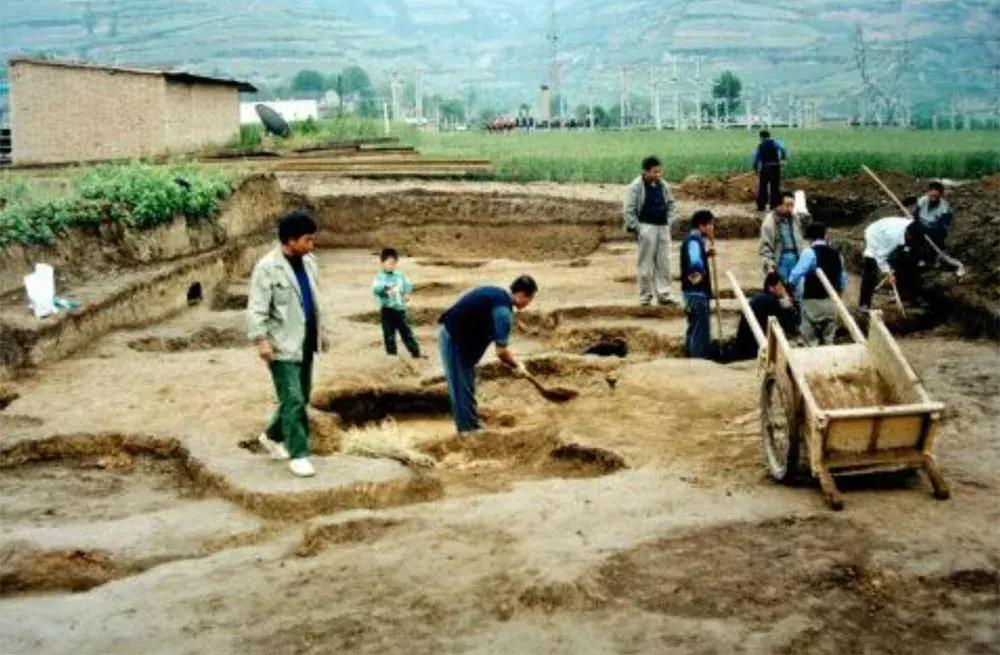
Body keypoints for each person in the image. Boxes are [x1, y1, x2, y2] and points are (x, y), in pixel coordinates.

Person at [247, 210, 325, 478]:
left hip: (305, 343)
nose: (311, 245)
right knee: (292, 399)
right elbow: (257, 308)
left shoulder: (310, 262)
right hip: (281, 344)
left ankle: (271, 436)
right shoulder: (267, 267)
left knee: (301, 396)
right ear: (290, 240)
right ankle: (299, 454)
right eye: (307, 239)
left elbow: (311, 301)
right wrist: (261, 341)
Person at [437, 276, 537, 434]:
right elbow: (501, 352)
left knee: (466, 385)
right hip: (454, 341)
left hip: (460, 341)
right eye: (530, 299)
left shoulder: (497, 295)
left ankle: (471, 424)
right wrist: (517, 365)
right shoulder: (503, 311)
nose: (529, 303)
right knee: (460, 387)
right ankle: (467, 432)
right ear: (523, 295)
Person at [623, 155, 678, 306]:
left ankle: (664, 294)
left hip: (663, 227)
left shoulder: (663, 185)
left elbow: (672, 204)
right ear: (645, 172)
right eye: (655, 172)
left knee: (664, 262)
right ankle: (645, 296)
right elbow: (628, 210)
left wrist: (669, 221)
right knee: (645, 264)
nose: (658, 175)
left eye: (660, 172)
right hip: (646, 227)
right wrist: (638, 228)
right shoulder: (636, 187)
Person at [787, 222, 848, 346]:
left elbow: (795, 276)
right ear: (825, 235)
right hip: (832, 302)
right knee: (829, 339)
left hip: (812, 301)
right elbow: (842, 280)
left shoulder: (809, 253)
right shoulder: (838, 255)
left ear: (810, 238)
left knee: (810, 340)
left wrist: (790, 289)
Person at [715, 272, 795, 362]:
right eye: (780, 286)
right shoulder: (770, 301)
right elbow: (787, 324)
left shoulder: (760, 298)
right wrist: (788, 303)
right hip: (753, 347)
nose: (782, 289)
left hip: (745, 344)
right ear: (771, 287)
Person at [858, 217, 926, 311]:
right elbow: (881, 257)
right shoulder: (893, 238)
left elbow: (914, 249)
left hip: (890, 234)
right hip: (875, 236)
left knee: (907, 263)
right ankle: (864, 304)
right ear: (907, 235)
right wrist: (889, 273)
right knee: (871, 268)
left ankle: (907, 297)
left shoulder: (915, 229)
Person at [372, 247, 421, 358]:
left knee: (406, 332)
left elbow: (408, 285)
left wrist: (407, 293)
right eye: (389, 263)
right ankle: (392, 354)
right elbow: (375, 289)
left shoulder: (400, 275)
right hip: (387, 310)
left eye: (394, 263)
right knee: (388, 334)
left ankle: (415, 352)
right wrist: (385, 288)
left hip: (400, 309)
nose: (391, 266)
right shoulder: (380, 277)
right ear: (382, 263)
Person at [680, 210, 715, 358]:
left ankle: (690, 357)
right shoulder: (694, 241)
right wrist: (699, 274)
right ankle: (698, 361)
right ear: (702, 225)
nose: (712, 228)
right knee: (700, 331)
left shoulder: (694, 241)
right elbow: (694, 261)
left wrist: (706, 254)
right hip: (697, 293)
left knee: (693, 328)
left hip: (691, 292)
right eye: (710, 225)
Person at [758, 190, 807, 283]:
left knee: (798, 290)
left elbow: (801, 239)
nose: (790, 208)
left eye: (792, 205)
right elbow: (765, 246)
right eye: (787, 205)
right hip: (780, 260)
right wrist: (769, 264)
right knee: (782, 291)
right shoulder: (769, 222)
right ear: (779, 205)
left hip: (796, 259)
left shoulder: (795, 220)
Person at [752, 130, 788, 211]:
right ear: (769, 136)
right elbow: (783, 149)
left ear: (761, 137)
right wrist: (783, 160)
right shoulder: (775, 143)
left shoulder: (760, 145)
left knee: (763, 188)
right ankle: (774, 206)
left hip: (765, 169)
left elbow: (756, 158)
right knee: (775, 188)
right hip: (775, 168)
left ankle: (761, 206)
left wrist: (755, 169)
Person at [913, 180, 953, 249]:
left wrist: (927, 230)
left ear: (941, 194)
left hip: (934, 232)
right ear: (928, 192)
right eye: (931, 192)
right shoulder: (923, 200)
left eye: (936, 193)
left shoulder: (944, 209)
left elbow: (943, 227)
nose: (933, 195)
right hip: (920, 227)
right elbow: (915, 215)